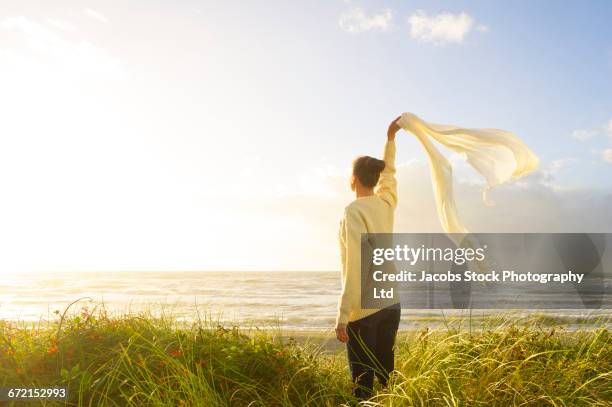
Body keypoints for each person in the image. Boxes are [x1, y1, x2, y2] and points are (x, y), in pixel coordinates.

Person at [335, 116, 402, 399]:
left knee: (362, 384)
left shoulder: (353, 211)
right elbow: (391, 175)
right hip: (391, 301)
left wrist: (342, 315)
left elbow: (356, 265)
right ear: (375, 179)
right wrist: (390, 139)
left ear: (352, 180)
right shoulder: (387, 203)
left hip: (365, 309)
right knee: (387, 376)